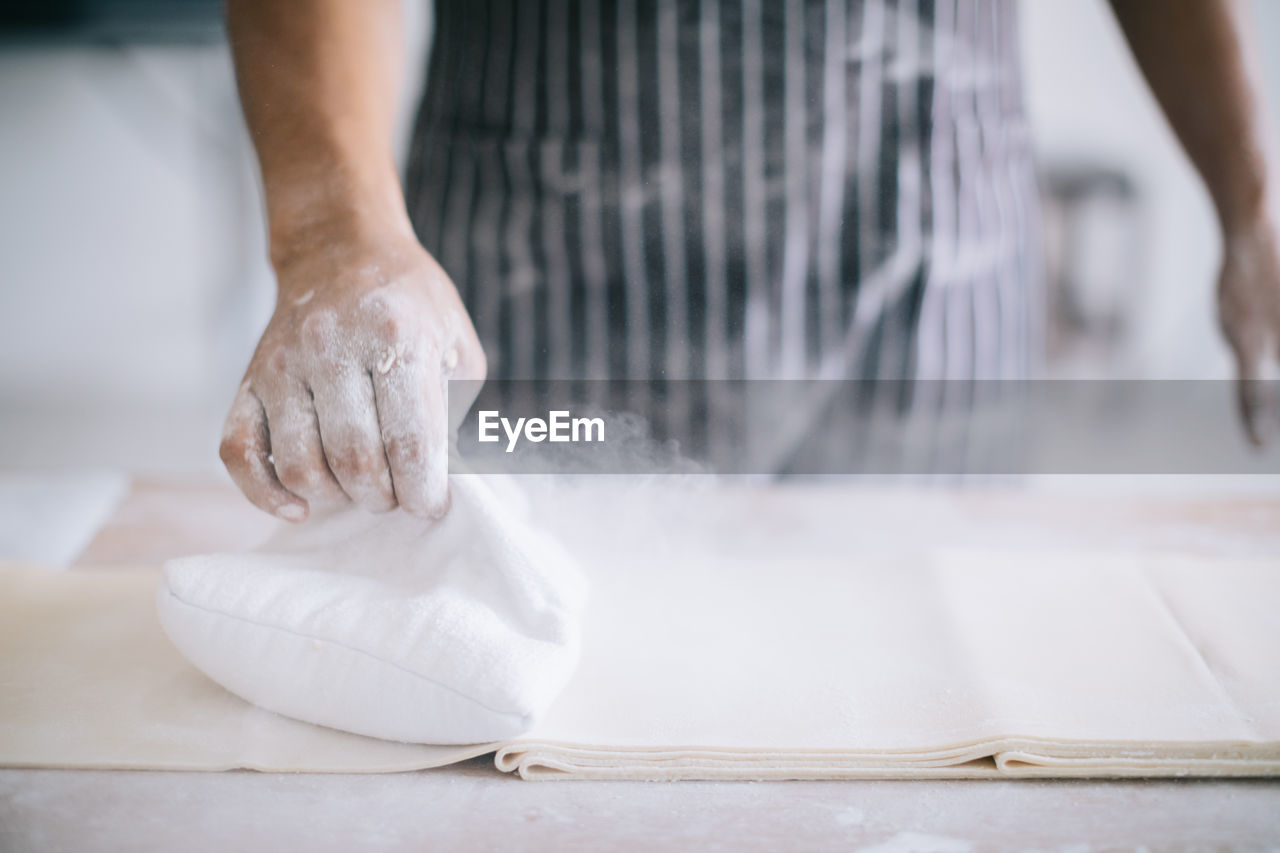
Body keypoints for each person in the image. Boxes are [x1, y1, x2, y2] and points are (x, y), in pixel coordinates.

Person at [219, 0, 1280, 521]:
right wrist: (333, 233)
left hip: (931, 268)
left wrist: (1251, 197)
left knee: (924, 703)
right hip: (545, 266)